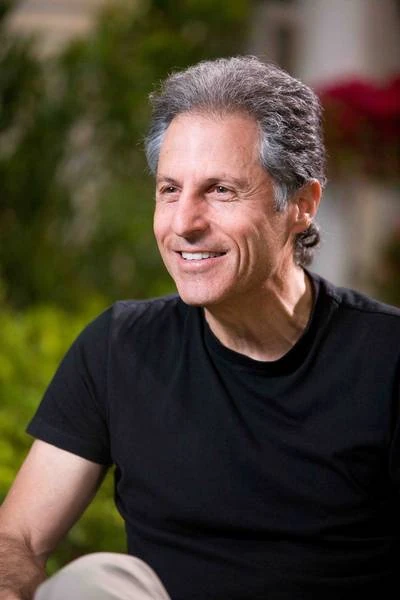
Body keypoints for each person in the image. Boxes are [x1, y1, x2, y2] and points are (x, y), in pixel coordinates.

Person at [0, 55, 399, 600]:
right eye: (170, 189)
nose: (184, 224)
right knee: (95, 585)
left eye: (220, 190)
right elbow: (17, 537)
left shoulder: (387, 359)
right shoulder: (119, 348)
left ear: (301, 205)